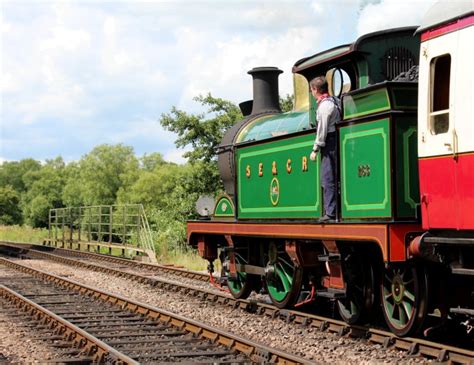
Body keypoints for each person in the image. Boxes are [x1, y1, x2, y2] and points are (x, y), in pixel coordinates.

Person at [309, 76, 341, 222]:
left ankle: (330, 213)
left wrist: (315, 148)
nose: (311, 93)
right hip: (337, 139)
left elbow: (322, 130)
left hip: (329, 141)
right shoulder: (335, 101)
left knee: (327, 177)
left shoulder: (324, 107)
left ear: (315, 89)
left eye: (312, 90)